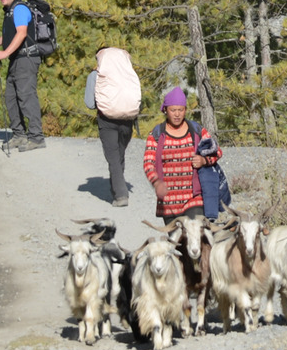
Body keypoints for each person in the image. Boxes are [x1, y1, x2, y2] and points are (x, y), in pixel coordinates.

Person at [143, 86, 222, 223]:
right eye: (173, 110)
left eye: (181, 110)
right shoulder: (156, 135)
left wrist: (204, 160)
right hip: (168, 202)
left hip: (194, 197)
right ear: (165, 110)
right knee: (178, 243)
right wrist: (156, 182)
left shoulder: (197, 130)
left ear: (185, 110)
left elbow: (217, 151)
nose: (177, 114)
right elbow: (148, 163)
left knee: (195, 237)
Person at [0, 0, 45, 152]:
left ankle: (36, 137)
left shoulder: (19, 9)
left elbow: (22, 33)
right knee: (11, 98)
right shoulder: (10, 12)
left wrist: (5, 53)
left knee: (26, 97)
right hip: (17, 59)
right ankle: (19, 135)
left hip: (26, 59)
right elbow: (9, 36)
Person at [84, 47, 141, 207]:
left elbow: (89, 103)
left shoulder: (95, 75)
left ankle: (121, 195)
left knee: (113, 158)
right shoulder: (130, 75)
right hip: (128, 121)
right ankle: (118, 186)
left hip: (106, 120)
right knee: (119, 155)